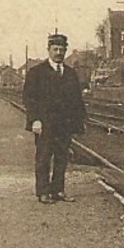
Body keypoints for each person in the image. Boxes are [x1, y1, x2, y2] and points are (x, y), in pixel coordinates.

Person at [22, 33, 87, 203]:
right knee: (43, 157)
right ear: (48, 50)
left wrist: (79, 122)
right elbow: (29, 98)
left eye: (61, 49)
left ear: (65, 51)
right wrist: (34, 120)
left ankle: (58, 190)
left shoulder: (70, 73)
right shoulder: (36, 72)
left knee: (62, 158)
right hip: (44, 124)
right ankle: (43, 192)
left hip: (64, 125)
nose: (58, 52)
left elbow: (77, 100)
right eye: (55, 49)